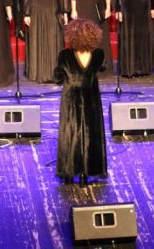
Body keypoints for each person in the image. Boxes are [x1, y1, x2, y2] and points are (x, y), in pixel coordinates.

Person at [53, 18, 107, 186]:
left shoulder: (65, 55)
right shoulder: (99, 54)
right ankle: (86, 172)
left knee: (70, 134)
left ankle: (69, 172)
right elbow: (102, 68)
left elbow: (57, 78)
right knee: (91, 134)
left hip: (71, 100)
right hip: (91, 98)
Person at [22, 0, 68, 83]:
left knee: (53, 40)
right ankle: (37, 73)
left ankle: (54, 73)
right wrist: (26, 14)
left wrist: (65, 12)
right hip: (36, 9)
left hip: (53, 9)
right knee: (36, 39)